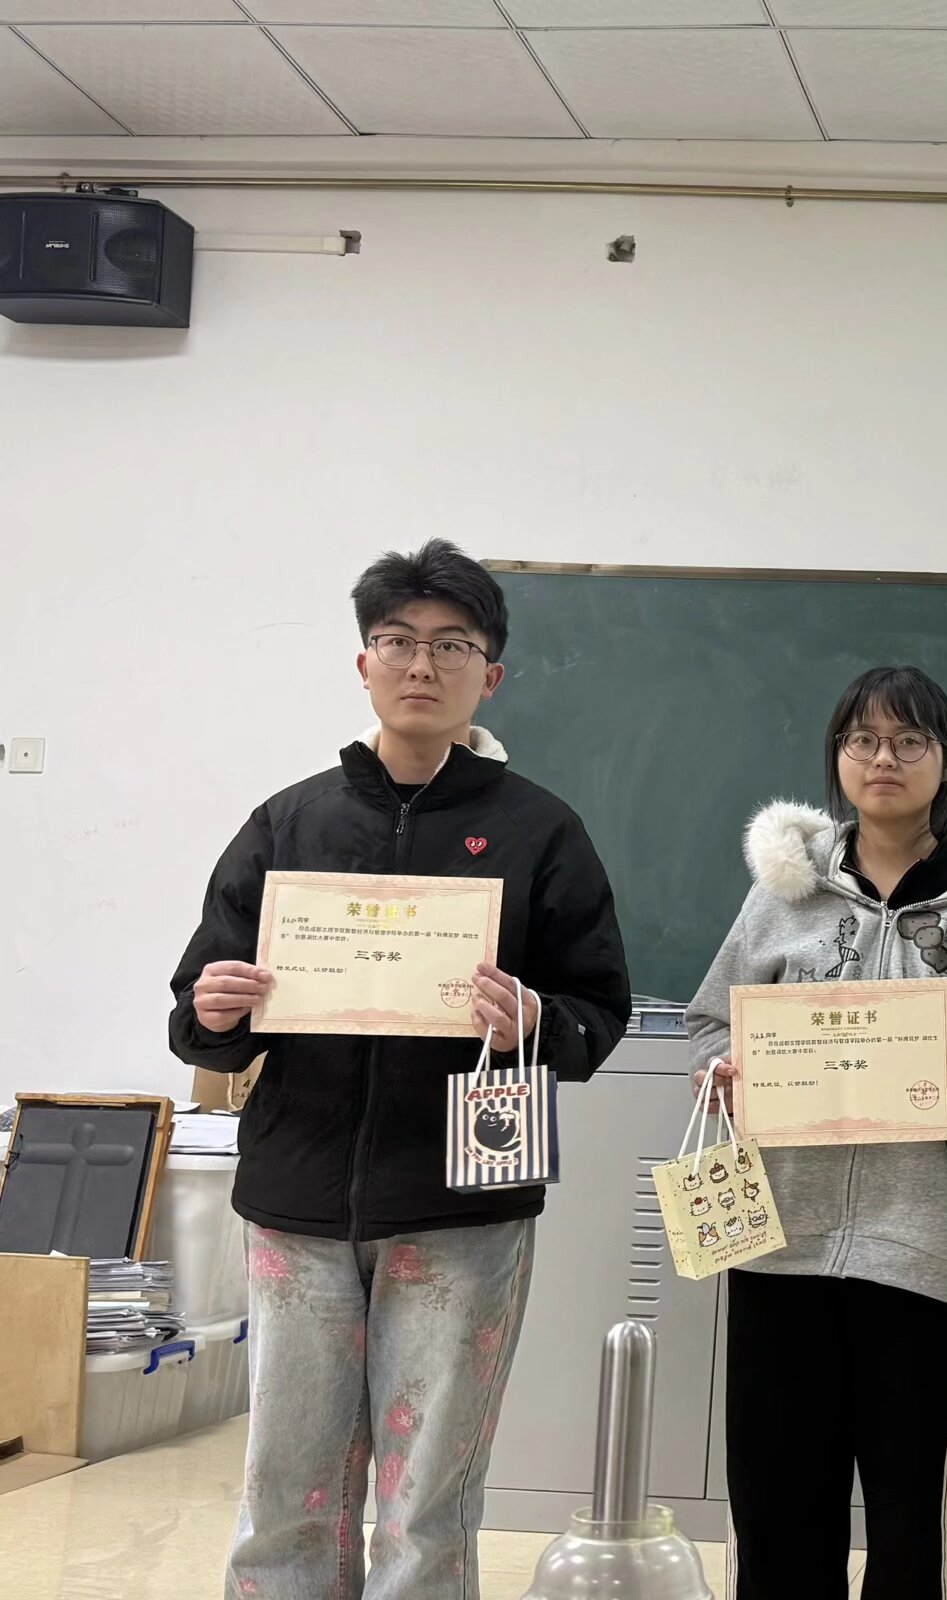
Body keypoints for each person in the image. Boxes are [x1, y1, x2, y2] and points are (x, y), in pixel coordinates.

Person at [168, 539, 632, 1600]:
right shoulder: (289, 821)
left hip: (463, 1202)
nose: (422, 664)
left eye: (451, 645)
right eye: (397, 641)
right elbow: (201, 1012)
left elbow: (597, 1011)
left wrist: (534, 1019)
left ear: (490, 674)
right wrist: (213, 1013)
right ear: (363, 663)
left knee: (426, 1502)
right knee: (287, 1492)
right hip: (297, 1198)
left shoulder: (540, 830)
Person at [684, 664, 947, 1600]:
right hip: (782, 1245)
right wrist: (726, 1069)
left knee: (915, 1536)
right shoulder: (783, 894)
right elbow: (710, 1022)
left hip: (934, 1251)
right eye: (862, 740)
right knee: (776, 1523)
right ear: (837, 757)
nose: (882, 759)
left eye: (908, 741)